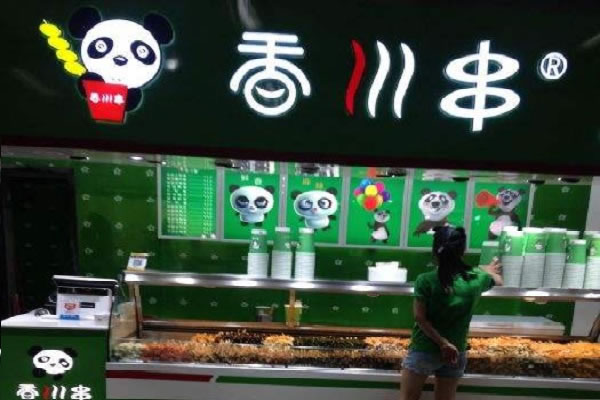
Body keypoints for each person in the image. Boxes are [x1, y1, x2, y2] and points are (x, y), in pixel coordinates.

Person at [400, 226, 503, 400]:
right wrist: (485, 270)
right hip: (457, 351)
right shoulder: (477, 279)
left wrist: (443, 343)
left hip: (425, 349)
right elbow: (498, 280)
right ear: (463, 250)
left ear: (435, 251)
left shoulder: (425, 280)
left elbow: (420, 317)